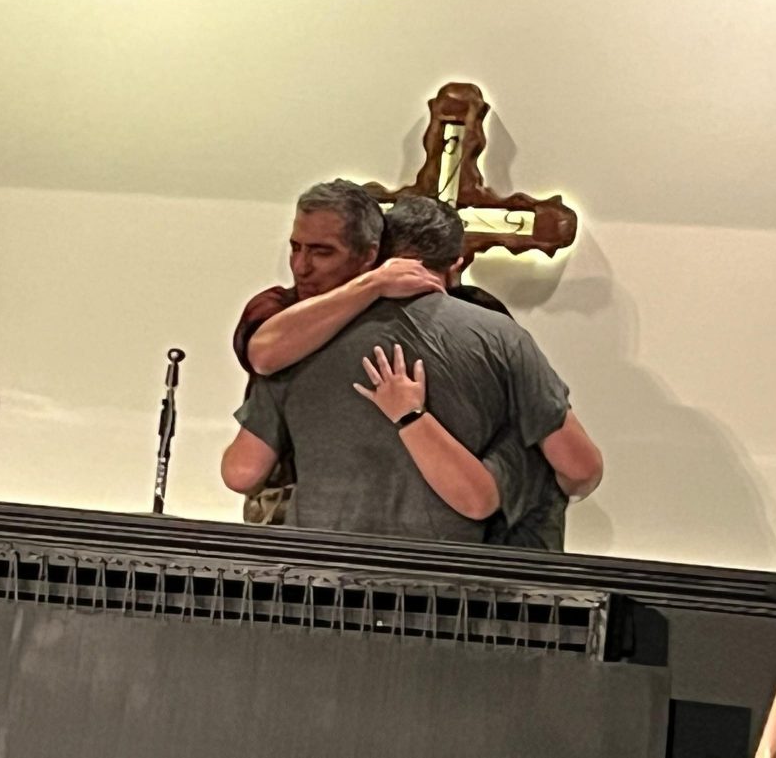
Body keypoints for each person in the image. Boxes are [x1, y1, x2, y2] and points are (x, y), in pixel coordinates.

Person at [225, 184, 601, 544]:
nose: (302, 266)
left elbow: (242, 472)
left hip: (314, 567)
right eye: (296, 249)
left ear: (376, 255)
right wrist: (514, 467)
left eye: (320, 252)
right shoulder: (499, 336)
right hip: (439, 572)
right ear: (456, 262)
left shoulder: (299, 339)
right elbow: (580, 469)